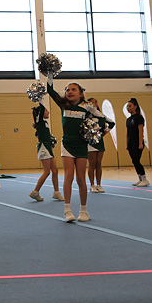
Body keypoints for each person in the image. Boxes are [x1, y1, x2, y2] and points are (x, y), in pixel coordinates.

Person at [47, 75, 102, 222]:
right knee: (69, 176)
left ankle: (83, 211)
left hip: (82, 145)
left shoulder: (87, 108)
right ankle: (67, 210)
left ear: (81, 93)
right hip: (67, 144)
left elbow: (105, 120)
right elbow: (49, 90)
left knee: (81, 178)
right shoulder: (64, 105)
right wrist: (50, 74)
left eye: (73, 89)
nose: (69, 92)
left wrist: (98, 131)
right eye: (67, 90)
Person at [29, 104, 62, 202]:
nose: (48, 112)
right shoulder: (39, 121)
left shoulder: (44, 123)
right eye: (46, 110)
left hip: (48, 147)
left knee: (55, 170)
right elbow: (41, 107)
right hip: (43, 148)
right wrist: (41, 98)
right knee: (47, 171)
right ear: (41, 113)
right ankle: (35, 192)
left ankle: (56, 192)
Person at [85, 97, 115, 193]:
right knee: (92, 164)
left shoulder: (101, 115)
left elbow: (111, 123)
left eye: (96, 103)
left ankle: (99, 184)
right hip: (90, 142)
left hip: (100, 142)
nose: (94, 104)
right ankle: (92, 185)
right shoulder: (86, 115)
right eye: (92, 103)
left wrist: (104, 132)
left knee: (98, 163)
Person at [126, 98, 148, 186]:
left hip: (137, 142)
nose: (128, 108)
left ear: (135, 107)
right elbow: (128, 132)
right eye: (127, 106)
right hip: (131, 143)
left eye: (130, 106)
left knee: (136, 160)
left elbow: (140, 131)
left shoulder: (139, 118)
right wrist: (127, 144)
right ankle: (140, 178)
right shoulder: (128, 119)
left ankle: (145, 179)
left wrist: (140, 143)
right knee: (134, 161)